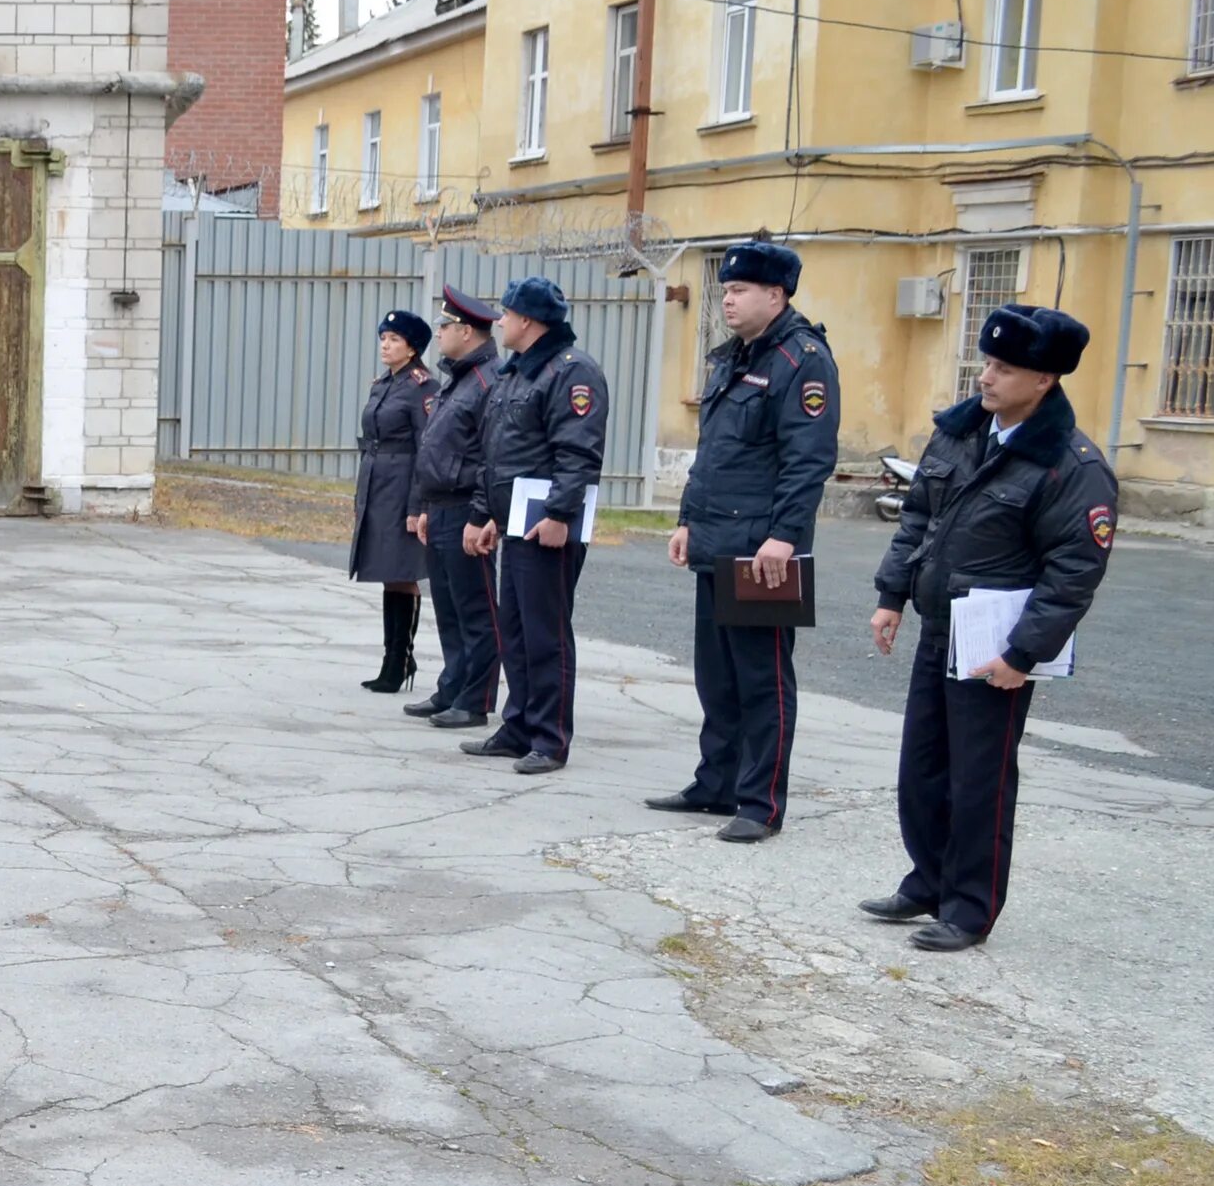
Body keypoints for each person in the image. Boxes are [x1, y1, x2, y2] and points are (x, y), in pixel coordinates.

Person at [865, 305, 1114, 951]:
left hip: (993, 641)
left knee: (980, 778)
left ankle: (970, 908)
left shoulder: (1071, 465)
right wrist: (892, 593)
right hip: (939, 623)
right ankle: (928, 880)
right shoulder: (959, 434)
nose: (987, 377)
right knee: (922, 765)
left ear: (1045, 381)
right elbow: (917, 518)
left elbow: (1073, 572)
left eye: (1006, 368)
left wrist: (1021, 652)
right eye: (987, 362)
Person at [650, 240, 836, 843]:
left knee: (762, 680)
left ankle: (760, 803)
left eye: (739, 291)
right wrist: (687, 521)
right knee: (717, 675)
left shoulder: (801, 359)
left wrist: (785, 538)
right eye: (724, 290)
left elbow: (808, 462)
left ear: (776, 295)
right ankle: (717, 783)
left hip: (763, 549)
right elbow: (716, 453)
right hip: (717, 538)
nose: (726, 300)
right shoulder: (732, 357)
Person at [461, 276, 607, 776]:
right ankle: (518, 725)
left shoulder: (572, 373)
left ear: (528, 320)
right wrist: (486, 516)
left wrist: (560, 514)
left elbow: (578, 451)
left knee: (546, 635)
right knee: (515, 631)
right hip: (515, 520)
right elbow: (495, 454)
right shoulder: (514, 374)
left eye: (506, 314)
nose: (499, 321)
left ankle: (550, 738)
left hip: (547, 525)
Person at [406, 285, 501, 729]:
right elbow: (437, 447)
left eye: (444, 326)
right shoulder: (459, 379)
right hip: (442, 505)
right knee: (447, 606)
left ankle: (476, 698)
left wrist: (481, 515)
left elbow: (489, 456)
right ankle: (453, 684)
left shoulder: (487, 381)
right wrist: (426, 504)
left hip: (467, 508)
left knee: (476, 608)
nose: (438, 333)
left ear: (466, 331)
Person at [349, 309, 436, 693]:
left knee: (402, 573)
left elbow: (426, 449)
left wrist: (417, 507)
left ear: (412, 347)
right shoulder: (383, 383)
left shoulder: (422, 387)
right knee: (389, 573)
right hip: (378, 486)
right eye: (383, 337)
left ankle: (399, 660)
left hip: (402, 488)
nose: (385, 344)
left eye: (394, 339)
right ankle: (395, 657)